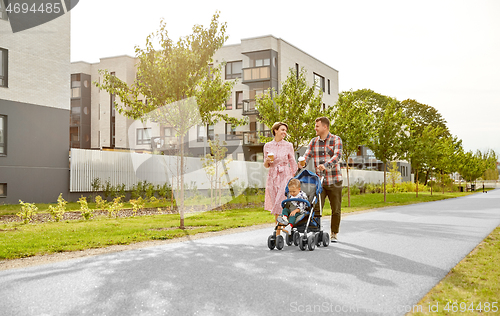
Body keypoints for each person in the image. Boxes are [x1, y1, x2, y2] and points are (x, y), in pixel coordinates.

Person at [299, 117, 343, 242]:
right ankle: (316, 231)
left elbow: (337, 156)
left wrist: (326, 165)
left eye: (317, 126)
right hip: (319, 181)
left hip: (334, 179)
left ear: (325, 127)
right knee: (316, 207)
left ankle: (334, 233)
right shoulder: (313, 141)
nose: (315, 128)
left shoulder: (336, 139)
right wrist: (302, 163)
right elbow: (307, 155)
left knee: (336, 209)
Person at [264, 122, 298, 224]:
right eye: (282, 130)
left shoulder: (288, 145)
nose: (284, 132)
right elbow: (266, 165)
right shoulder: (267, 146)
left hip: (285, 175)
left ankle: (280, 227)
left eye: (285, 131)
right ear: (276, 131)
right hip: (272, 176)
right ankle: (278, 230)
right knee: (275, 202)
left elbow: (292, 162)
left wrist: (295, 178)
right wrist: (266, 162)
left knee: (281, 201)